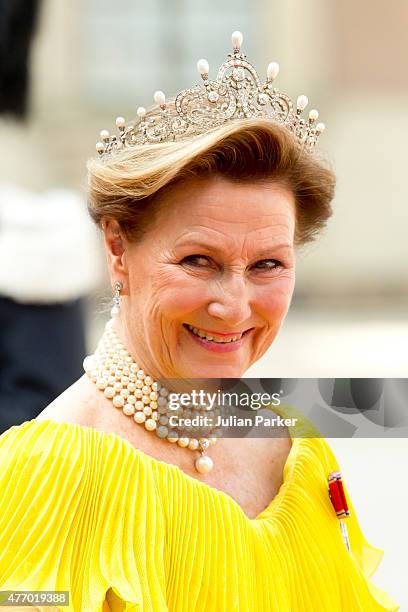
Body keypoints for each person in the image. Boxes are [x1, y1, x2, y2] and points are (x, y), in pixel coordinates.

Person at [0, 31, 399, 611]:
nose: (235, 306)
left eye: (268, 264)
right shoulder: (45, 475)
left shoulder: (299, 449)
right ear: (117, 250)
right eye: (197, 261)